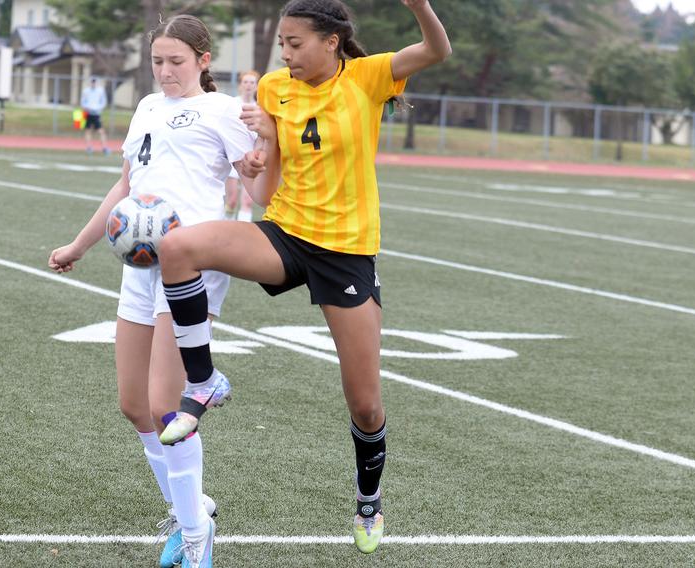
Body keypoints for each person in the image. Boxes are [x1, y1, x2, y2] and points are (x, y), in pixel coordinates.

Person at [156, 0, 451, 554]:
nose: (285, 53)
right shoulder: (272, 88)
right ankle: (203, 382)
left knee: (365, 404)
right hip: (285, 234)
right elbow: (265, 191)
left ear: (332, 41)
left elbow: (437, 50)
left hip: (345, 254)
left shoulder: (367, 77)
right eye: (282, 44)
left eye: (295, 43)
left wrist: (419, 6)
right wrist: (258, 155)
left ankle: (368, 500)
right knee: (177, 247)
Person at [48, 15, 257, 568]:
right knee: (133, 405)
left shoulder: (225, 110)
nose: (165, 72)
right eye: (158, 61)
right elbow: (125, 186)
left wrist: (268, 150)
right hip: (137, 264)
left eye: (177, 62)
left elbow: (256, 182)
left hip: (191, 265)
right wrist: (79, 245)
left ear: (203, 60)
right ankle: (195, 510)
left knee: (168, 409)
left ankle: (195, 538)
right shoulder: (145, 107)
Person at [224, 70, 260, 222]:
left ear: (257, 86)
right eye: (245, 82)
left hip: (251, 157)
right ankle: (226, 231)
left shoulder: (260, 107)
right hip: (233, 157)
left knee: (247, 201)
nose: (248, 85)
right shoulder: (232, 104)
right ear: (240, 85)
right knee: (231, 201)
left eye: (252, 82)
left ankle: (242, 239)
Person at [81, 77, 110, 155]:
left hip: (96, 114)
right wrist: (86, 107)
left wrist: (98, 108)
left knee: (101, 131)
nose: (93, 83)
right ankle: (89, 147)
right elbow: (83, 101)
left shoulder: (100, 91)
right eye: (92, 82)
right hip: (88, 113)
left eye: (94, 82)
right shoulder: (86, 91)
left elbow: (103, 101)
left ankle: (104, 148)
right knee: (88, 131)